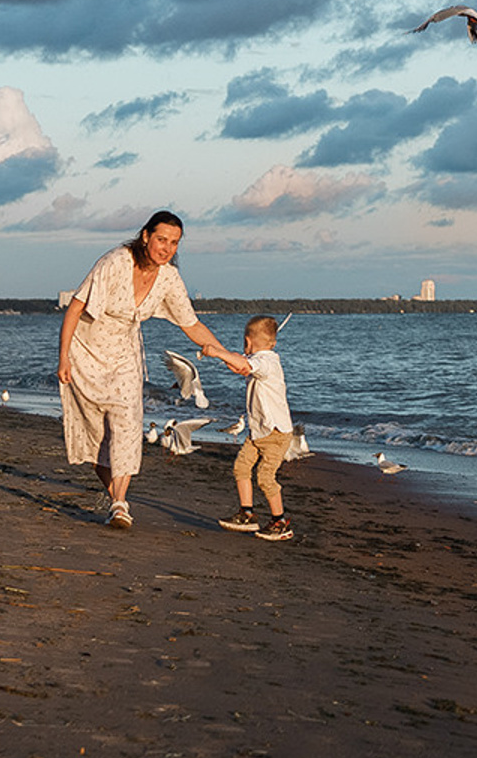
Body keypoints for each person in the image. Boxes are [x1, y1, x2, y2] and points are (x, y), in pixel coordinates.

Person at [57, 210, 222, 530]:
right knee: (97, 436)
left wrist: (227, 355)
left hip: (125, 357)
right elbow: (76, 306)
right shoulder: (115, 261)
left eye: (174, 243)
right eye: (162, 239)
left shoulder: (169, 278)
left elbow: (192, 324)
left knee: (128, 426)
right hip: (86, 352)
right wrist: (63, 357)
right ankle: (116, 499)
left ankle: (120, 503)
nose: (167, 248)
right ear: (145, 236)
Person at [201, 315, 298, 543]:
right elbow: (241, 364)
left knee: (265, 477)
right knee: (241, 467)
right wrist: (225, 356)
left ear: (247, 341)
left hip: (275, 433)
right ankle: (246, 514)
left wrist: (216, 352)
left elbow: (246, 364)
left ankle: (280, 522)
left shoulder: (268, 362)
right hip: (258, 432)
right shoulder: (259, 359)